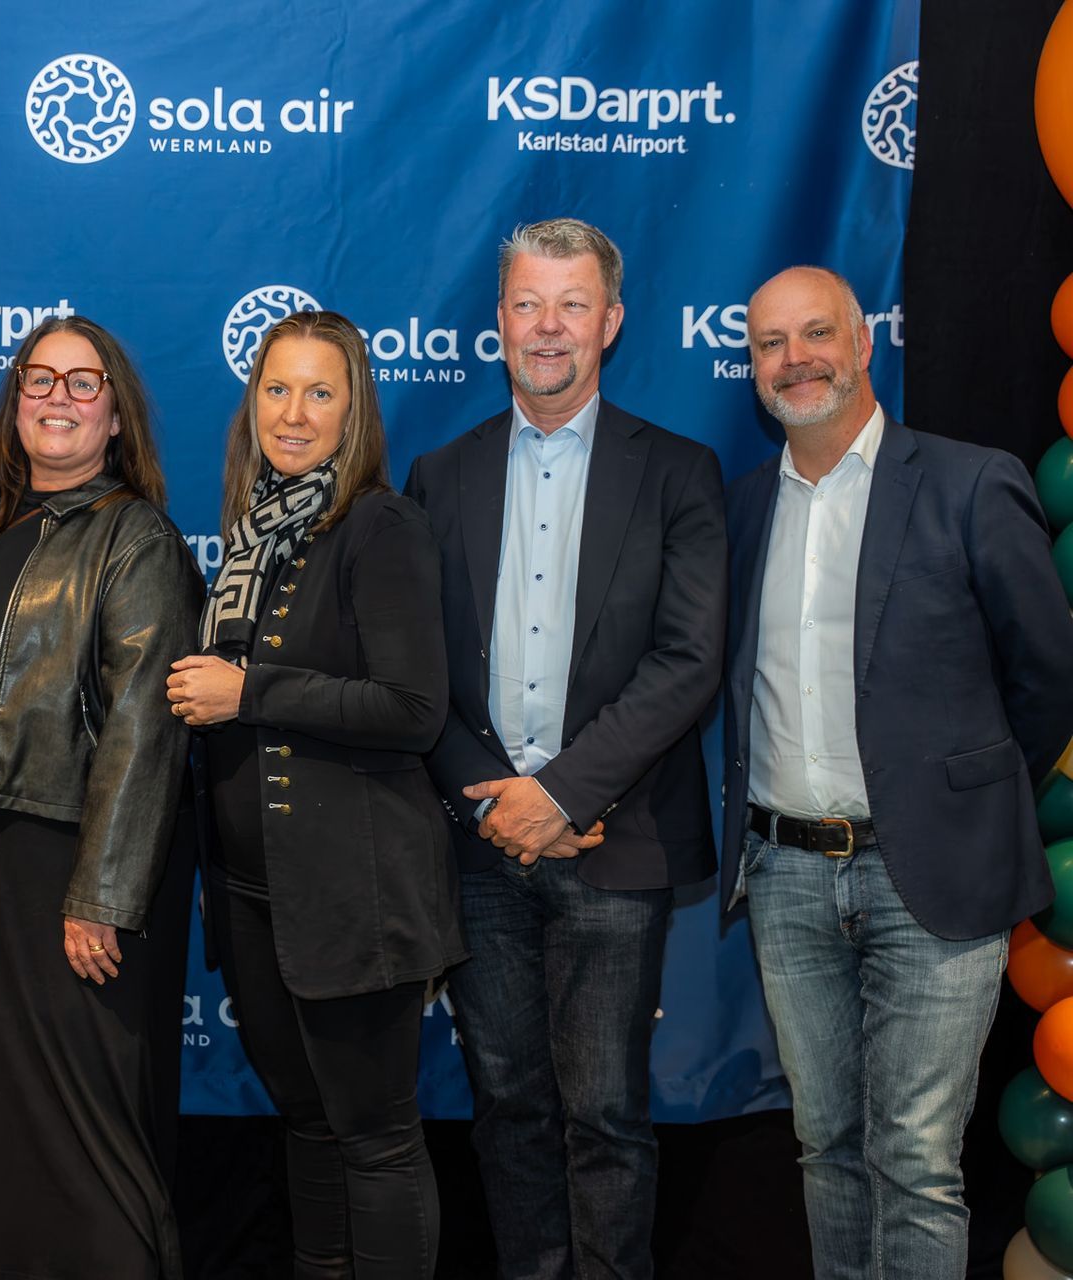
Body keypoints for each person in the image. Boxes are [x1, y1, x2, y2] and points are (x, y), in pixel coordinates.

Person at [721, 265, 1073, 1279]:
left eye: (816, 332)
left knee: (915, 1160)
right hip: (786, 875)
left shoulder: (969, 481)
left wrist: (966, 796)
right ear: (752, 369)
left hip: (935, 877)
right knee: (826, 1144)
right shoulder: (743, 508)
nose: (796, 359)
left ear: (865, 341)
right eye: (771, 343)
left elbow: (1048, 676)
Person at [402, 217, 727, 1280]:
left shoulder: (678, 471)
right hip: (481, 842)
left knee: (607, 1114)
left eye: (572, 304)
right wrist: (495, 800)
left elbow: (687, 661)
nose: (549, 327)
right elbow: (415, 673)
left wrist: (560, 795)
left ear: (612, 321)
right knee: (508, 1106)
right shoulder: (439, 475)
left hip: (614, 841)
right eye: (528, 304)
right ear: (499, 320)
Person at [0, 316, 203, 1279]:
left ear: (116, 416)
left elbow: (145, 727)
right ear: (14, 402)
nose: (58, 398)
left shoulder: (135, 537)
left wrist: (102, 893)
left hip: (63, 870)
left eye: (83, 381)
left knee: (82, 1127)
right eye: (40, 379)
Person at [167, 310, 464, 1277]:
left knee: (374, 1137)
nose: (293, 414)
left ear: (354, 412)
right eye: (277, 389)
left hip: (355, 897)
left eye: (319, 393)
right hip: (255, 896)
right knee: (306, 1121)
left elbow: (413, 709)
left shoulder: (379, 525)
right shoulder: (254, 533)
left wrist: (249, 691)